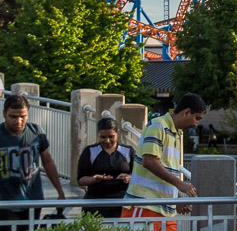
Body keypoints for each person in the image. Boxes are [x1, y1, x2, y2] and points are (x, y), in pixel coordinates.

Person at [122, 92, 207, 230]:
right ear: (186, 112)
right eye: (196, 118)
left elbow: (166, 169)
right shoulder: (158, 125)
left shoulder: (176, 133)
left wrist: (177, 198)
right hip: (145, 205)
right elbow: (149, 161)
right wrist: (180, 184)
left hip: (166, 209)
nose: (196, 124)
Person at [0, 94, 65, 222]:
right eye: (13, 116)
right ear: (4, 113)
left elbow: (48, 162)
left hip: (32, 197)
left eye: (22, 116)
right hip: (4, 199)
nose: (18, 121)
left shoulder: (36, 132)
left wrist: (60, 191)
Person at [76, 117, 134, 217]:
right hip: (95, 202)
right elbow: (81, 179)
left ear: (118, 132)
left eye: (111, 137)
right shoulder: (90, 151)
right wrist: (94, 179)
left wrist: (129, 178)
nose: (107, 141)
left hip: (122, 203)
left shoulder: (128, 151)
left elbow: (138, 175)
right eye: (103, 137)